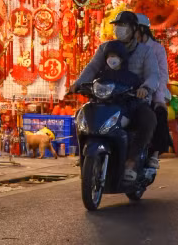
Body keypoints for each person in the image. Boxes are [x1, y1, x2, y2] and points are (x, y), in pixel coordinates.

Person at [71, 11, 159, 182]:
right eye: (117, 26)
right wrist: (78, 83)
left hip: (133, 100)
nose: (119, 29)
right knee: (83, 114)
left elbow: (153, 75)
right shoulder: (105, 48)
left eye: (123, 26)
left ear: (134, 29)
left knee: (148, 119)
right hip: (106, 99)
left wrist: (146, 88)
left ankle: (131, 162)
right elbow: (92, 68)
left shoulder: (146, 52)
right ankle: (83, 153)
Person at [135, 13, 170, 169]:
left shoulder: (157, 49)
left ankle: (155, 153)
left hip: (154, 90)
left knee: (159, 113)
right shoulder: (128, 47)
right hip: (131, 91)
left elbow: (162, 75)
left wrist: (159, 98)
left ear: (141, 30)